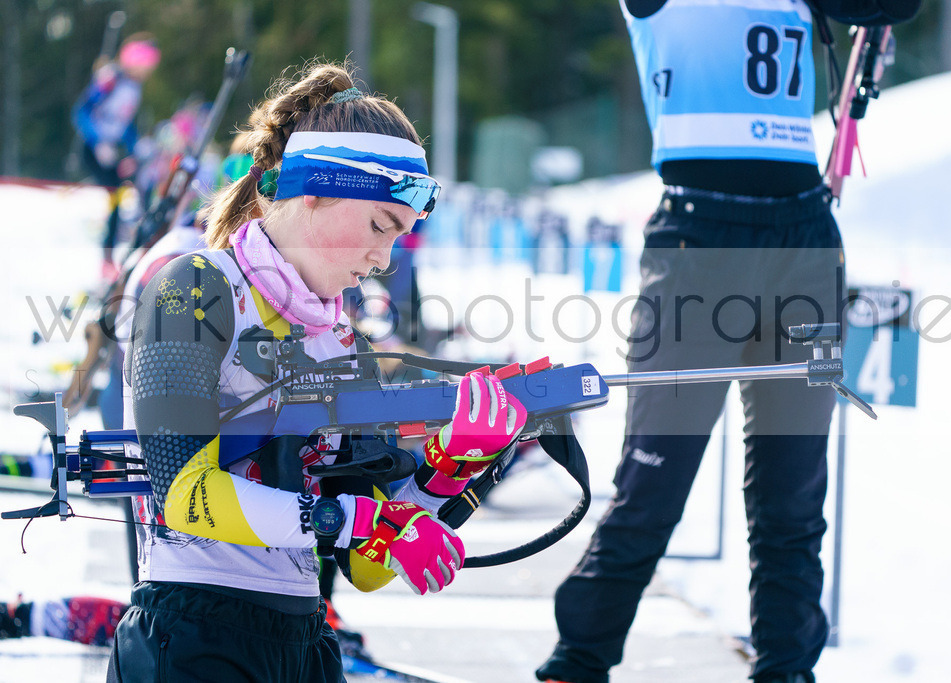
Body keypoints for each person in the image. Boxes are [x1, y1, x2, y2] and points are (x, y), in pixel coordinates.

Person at [107, 61, 527, 682]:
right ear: (314, 191)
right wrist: (367, 520)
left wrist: (449, 468)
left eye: (399, 237)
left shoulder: (342, 344)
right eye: (380, 226)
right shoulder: (195, 287)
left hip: (305, 641)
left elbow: (366, 568)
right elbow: (184, 496)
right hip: (192, 633)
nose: (383, 258)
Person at [536, 2, 846, 683]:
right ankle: (578, 662)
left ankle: (787, 670)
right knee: (654, 484)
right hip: (698, 241)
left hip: (806, 242)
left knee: (794, 497)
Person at [72, 34, 161, 280]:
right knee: (114, 195)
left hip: (112, 150)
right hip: (93, 149)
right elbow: (81, 112)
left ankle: (116, 254)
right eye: (146, 64)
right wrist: (97, 141)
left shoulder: (134, 87)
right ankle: (106, 258)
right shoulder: (112, 79)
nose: (148, 71)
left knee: (124, 195)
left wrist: (136, 146)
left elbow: (123, 124)